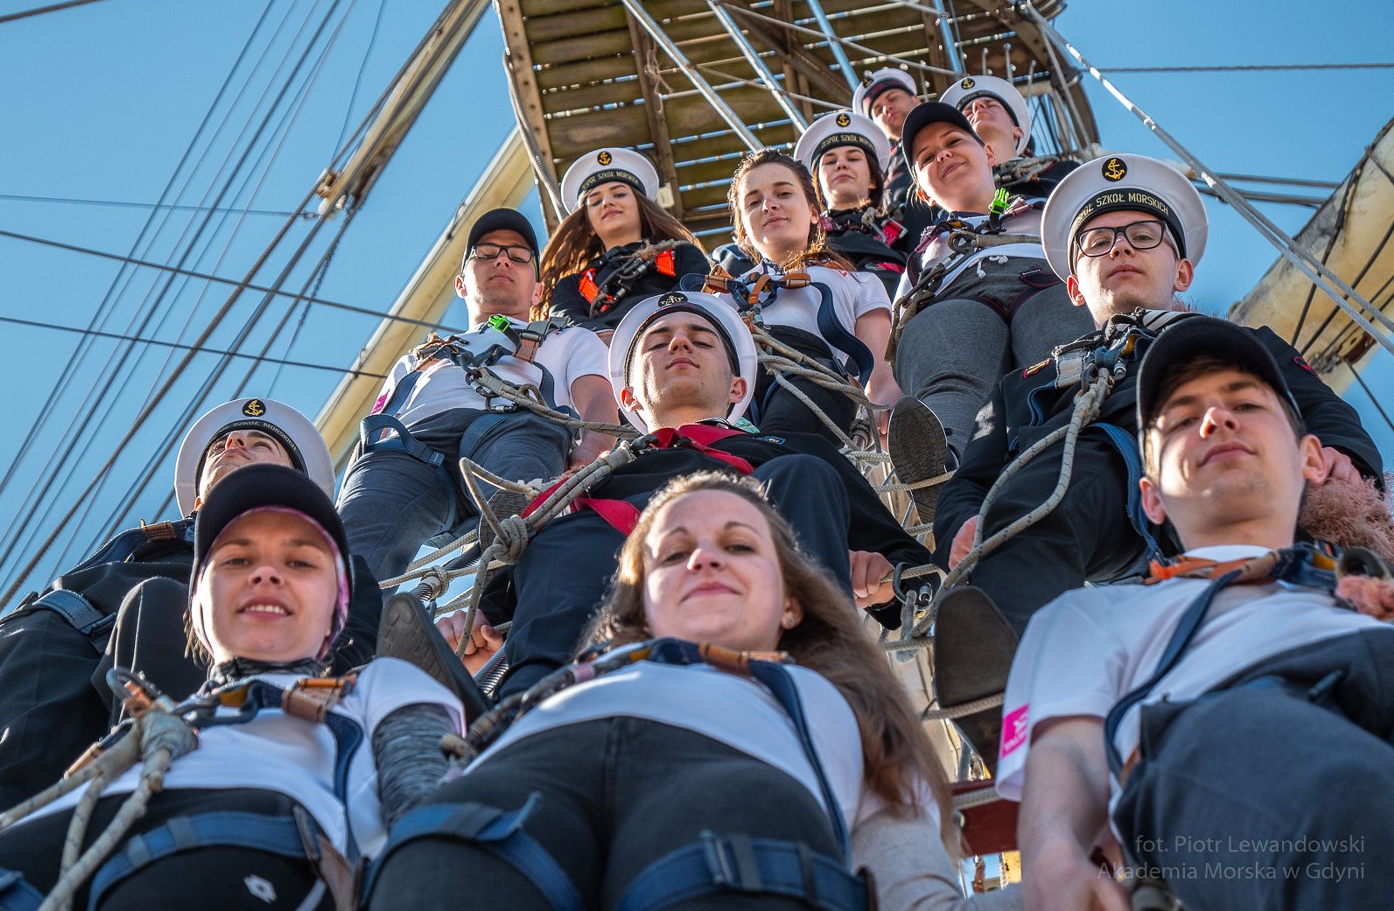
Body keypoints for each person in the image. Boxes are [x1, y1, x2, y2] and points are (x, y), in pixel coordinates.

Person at [367, 473, 1020, 910]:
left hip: (736, 783)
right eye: (673, 555)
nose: (704, 559)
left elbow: (917, 896)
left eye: (738, 545)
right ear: (641, 605)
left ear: (791, 602)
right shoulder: (556, 689)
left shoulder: (849, 709)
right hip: (514, 777)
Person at [928, 154, 1381, 767]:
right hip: (1096, 485)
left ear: (1183, 269)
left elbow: (1321, 407)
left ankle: (1361, 646)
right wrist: (960, 524)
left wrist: (1345, 455)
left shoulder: (1245, 345)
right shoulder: (1024, 385)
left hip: (1225, 470)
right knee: (1036, 495)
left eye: (1143, 235)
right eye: (1097, 243)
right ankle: (1014, 700)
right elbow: (974, 477)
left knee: (1311, 494)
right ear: (1073, 286)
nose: (1121, 247)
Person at [1002, 318, 1394, 911]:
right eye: (1183, 420)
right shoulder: (1087, 614)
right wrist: (1053, 860)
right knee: (1351, 811)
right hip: (1222, 717)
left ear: (1312, 459)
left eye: (1246, 404)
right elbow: (1070, 752)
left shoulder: (1367, 582)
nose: (1216, 419)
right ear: (1151, 497)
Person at [0, 465, 462, 910]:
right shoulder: (154, 717)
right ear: (197, 610)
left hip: (244, 844)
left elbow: (429, 822)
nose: (266, 573)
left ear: (336, 614)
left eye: (300, 562)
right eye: (237, 559)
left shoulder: (379, 684)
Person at [452, 291, 932, 696]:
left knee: (801, 476)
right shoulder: (589, 484)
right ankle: (533, 714)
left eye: (701, 340)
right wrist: (474, 626)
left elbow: (901, 558)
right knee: (562, 538)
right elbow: (505, 606)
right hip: (613, 602)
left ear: (738, 387)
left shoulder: (792, 453)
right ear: (628, 398)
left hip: (767, 605)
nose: (679, 342)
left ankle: (812, 680)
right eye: (657, 343)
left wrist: (886, 574)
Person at [0, 397, 380, 815]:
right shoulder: (146, 542)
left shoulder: (326, 565)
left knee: (149, 796)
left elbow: (343, 650)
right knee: (6, 798)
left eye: (259, 443)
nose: (233, 443)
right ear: (197, 500)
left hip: (170, 659)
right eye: (222, 444)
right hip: (36, 639)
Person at [336, 206, 618, 583]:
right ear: (461, 284)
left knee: (523, 508)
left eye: (518, 256)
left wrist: (593, 450)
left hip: (517, 425)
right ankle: (349, 616)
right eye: (485, 253)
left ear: (537, 291)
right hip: (410, 444)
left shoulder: (569, 338)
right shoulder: (417, 358)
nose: (502, 260)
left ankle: (506, 596)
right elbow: (379, 423)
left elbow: (597, 397)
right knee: (353, 549)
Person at [888, 102, 1093, 521]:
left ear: (988, 153)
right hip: (954, 300)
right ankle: (940, 465)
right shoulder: (923, 255)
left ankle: (1084, 444)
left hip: (1043, 283)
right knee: (949, 368)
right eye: (927, 158)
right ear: (922, 193)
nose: (943, 154)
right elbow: (900, 329)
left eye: (953, 141)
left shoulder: (1049, 213)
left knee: (1065, 351)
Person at [718, 147, 902, 440]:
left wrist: (889, 405)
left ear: (815, 213)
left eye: (783, 194)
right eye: (753, 202)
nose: (768, 205)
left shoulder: (859, 283)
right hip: (736, 396)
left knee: (786, 430)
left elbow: (879, 372)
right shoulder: (724, 296)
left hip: (815, 384)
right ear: (742, 234)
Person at [537, 147, 710, 335]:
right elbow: (564, 319)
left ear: (640, 206)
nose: (607, 202)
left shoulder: (681, 254)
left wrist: (654, 328)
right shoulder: (573, 286)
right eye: (595, 201)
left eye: (619, 194)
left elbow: (697, 291)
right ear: (588, 223)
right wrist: (606, 336)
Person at [792, 109, 910, 297]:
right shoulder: (801, 237)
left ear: (873, 180)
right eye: (830, 162)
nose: (841, 164)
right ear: (817, 185)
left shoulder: (902, 229)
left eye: (853, 158)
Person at [938, 74, 1078, 202]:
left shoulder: (1065, 173)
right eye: (968, 112)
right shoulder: (947, 202)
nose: (977, 106)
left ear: (1018, 130)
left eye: (990, 104)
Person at [851, 66, 937, 236]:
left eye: (892, 98)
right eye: (878, 110)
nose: (886, 109)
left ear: (915, 100)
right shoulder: (879, 169)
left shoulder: (949, 134)